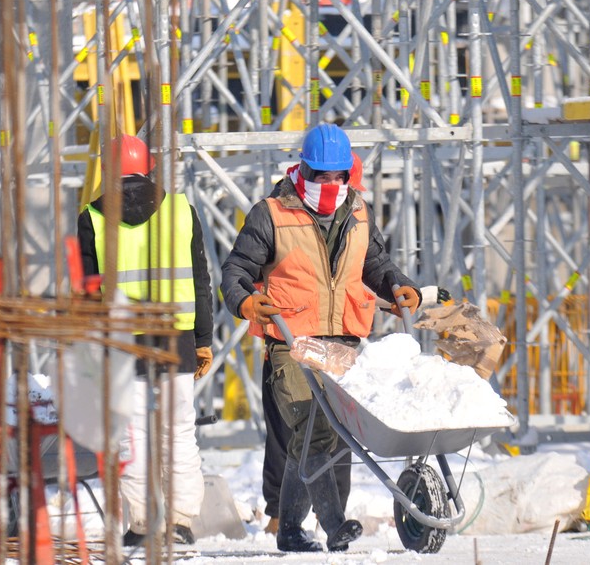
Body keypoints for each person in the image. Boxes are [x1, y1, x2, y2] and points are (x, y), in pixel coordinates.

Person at [222, 123, 421, 552]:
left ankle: (291, 530)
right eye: (321, 177)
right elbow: (236, 271)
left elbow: (377, 265)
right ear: (304, 170)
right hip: (291, 340)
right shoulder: (271, 213)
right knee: (310, 429)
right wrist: (245, 302)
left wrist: (399, 285)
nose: (331, 186)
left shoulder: (358, 212)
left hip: (343, 341)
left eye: (338, 177)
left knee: (325, 436)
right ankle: (333, 524)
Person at [77, 134, 214, 546]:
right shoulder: (181, 211)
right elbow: (200, 281)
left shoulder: (92, 217)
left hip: (122, 346)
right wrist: (203, 339)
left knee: (130, 435)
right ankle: (182, 520)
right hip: (176, 341)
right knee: (178, 432)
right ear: (149, 167)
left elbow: (86, 292)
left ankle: (140, 521)